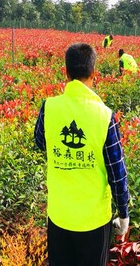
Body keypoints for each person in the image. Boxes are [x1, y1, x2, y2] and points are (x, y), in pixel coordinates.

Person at [34, 43, 130, 266]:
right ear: (94, 74)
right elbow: (117, 174)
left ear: (66, 72)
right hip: (93, 223)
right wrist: (123, 214)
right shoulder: (104, 116)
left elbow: (41, 142)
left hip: (59, 217)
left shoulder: (49, 108)